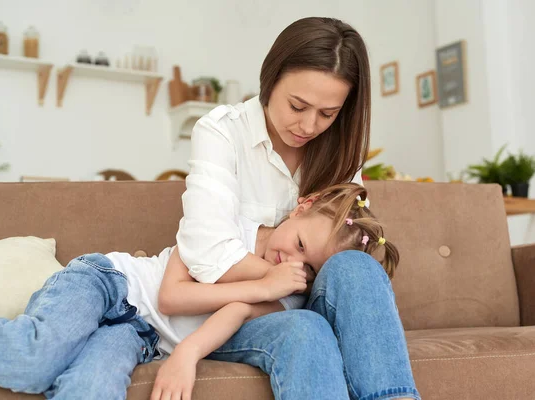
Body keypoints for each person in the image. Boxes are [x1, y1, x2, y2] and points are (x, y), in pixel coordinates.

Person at [175, 16, 420, 400]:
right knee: (306, 327)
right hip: (241, 315)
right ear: (271, 79)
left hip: (310, 303)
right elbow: (206, 253)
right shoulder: (222, 132)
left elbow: (350, 241)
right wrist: (283, 282)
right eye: (298, 105)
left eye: (328, 114)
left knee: (356, 266)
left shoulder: (340, 153)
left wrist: (298, 276)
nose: (308, 125)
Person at [0, 183, 394, 400]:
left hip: (138, 336)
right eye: (299, 244)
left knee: (91, 387)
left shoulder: (291, 293)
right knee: (39, 357)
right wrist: (262, 283)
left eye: (310, 265)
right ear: (302, 206)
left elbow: (233, 315)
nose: (293, 263)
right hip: (109, 282)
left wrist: (186, 353)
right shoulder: (227, 226)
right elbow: (171, 296)